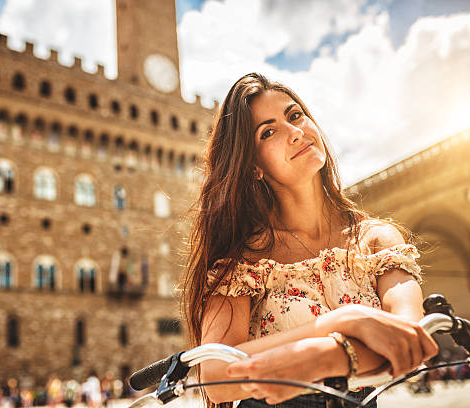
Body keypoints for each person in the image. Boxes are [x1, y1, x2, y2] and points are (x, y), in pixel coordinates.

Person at [180, 72, 439, 407]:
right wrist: (344, 321)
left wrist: (323, 357)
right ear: (253, 167)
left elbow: (408, 339)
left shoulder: (375, 240)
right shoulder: (244, 261)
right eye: (269, 131)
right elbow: (215, 377)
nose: (294, 132)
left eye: (295, 115)